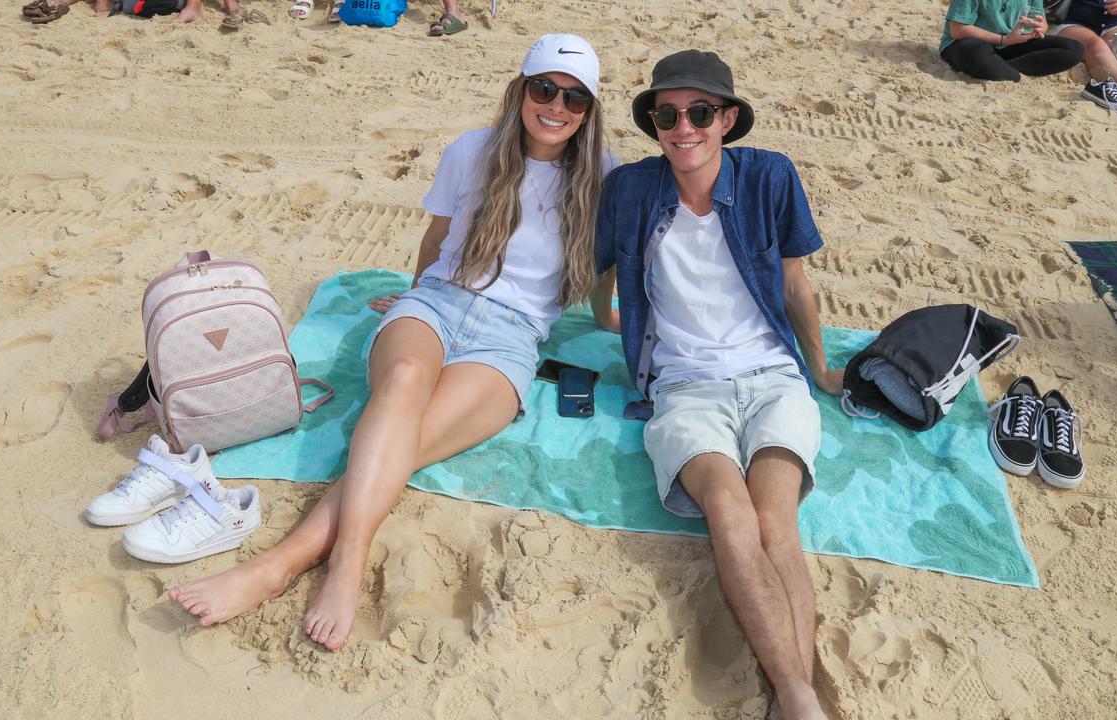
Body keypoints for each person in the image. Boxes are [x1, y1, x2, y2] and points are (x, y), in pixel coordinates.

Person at [169, 33, 619, 650]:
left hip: (511, 338)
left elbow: (607, 261)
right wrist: (412, 297)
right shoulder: (472, 151)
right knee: (406, 378)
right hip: (439, 301)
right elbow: (437, 239)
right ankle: (346, 565)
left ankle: (277, 566)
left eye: (574, 98)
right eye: (544, 88)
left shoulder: (604, 176)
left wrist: (605, 316)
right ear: (520, 90)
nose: (556, 107)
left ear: (589, 111)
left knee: (407, 438)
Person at [594, 50, 841, 720]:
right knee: (730, 517)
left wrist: (819, 368)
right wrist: (602, 319)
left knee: (773, 520)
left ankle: (796, 689)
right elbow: (601, 271)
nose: (683, 127)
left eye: (700, 112)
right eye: (667, 114)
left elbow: (794, 283)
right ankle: (798, 693)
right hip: (683, 384)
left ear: (727, 119)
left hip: (771, 377)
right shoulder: (632, 190)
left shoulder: (769, 177)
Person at [939, 0, 1084, 82]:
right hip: (967, 43)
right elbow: (958, 30)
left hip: (1011, 43)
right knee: (975, 50)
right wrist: (1004, 40)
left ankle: (997, 68)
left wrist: (1040, 26)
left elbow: (1043, 23)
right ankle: (1016, 77)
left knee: (1074, 49)